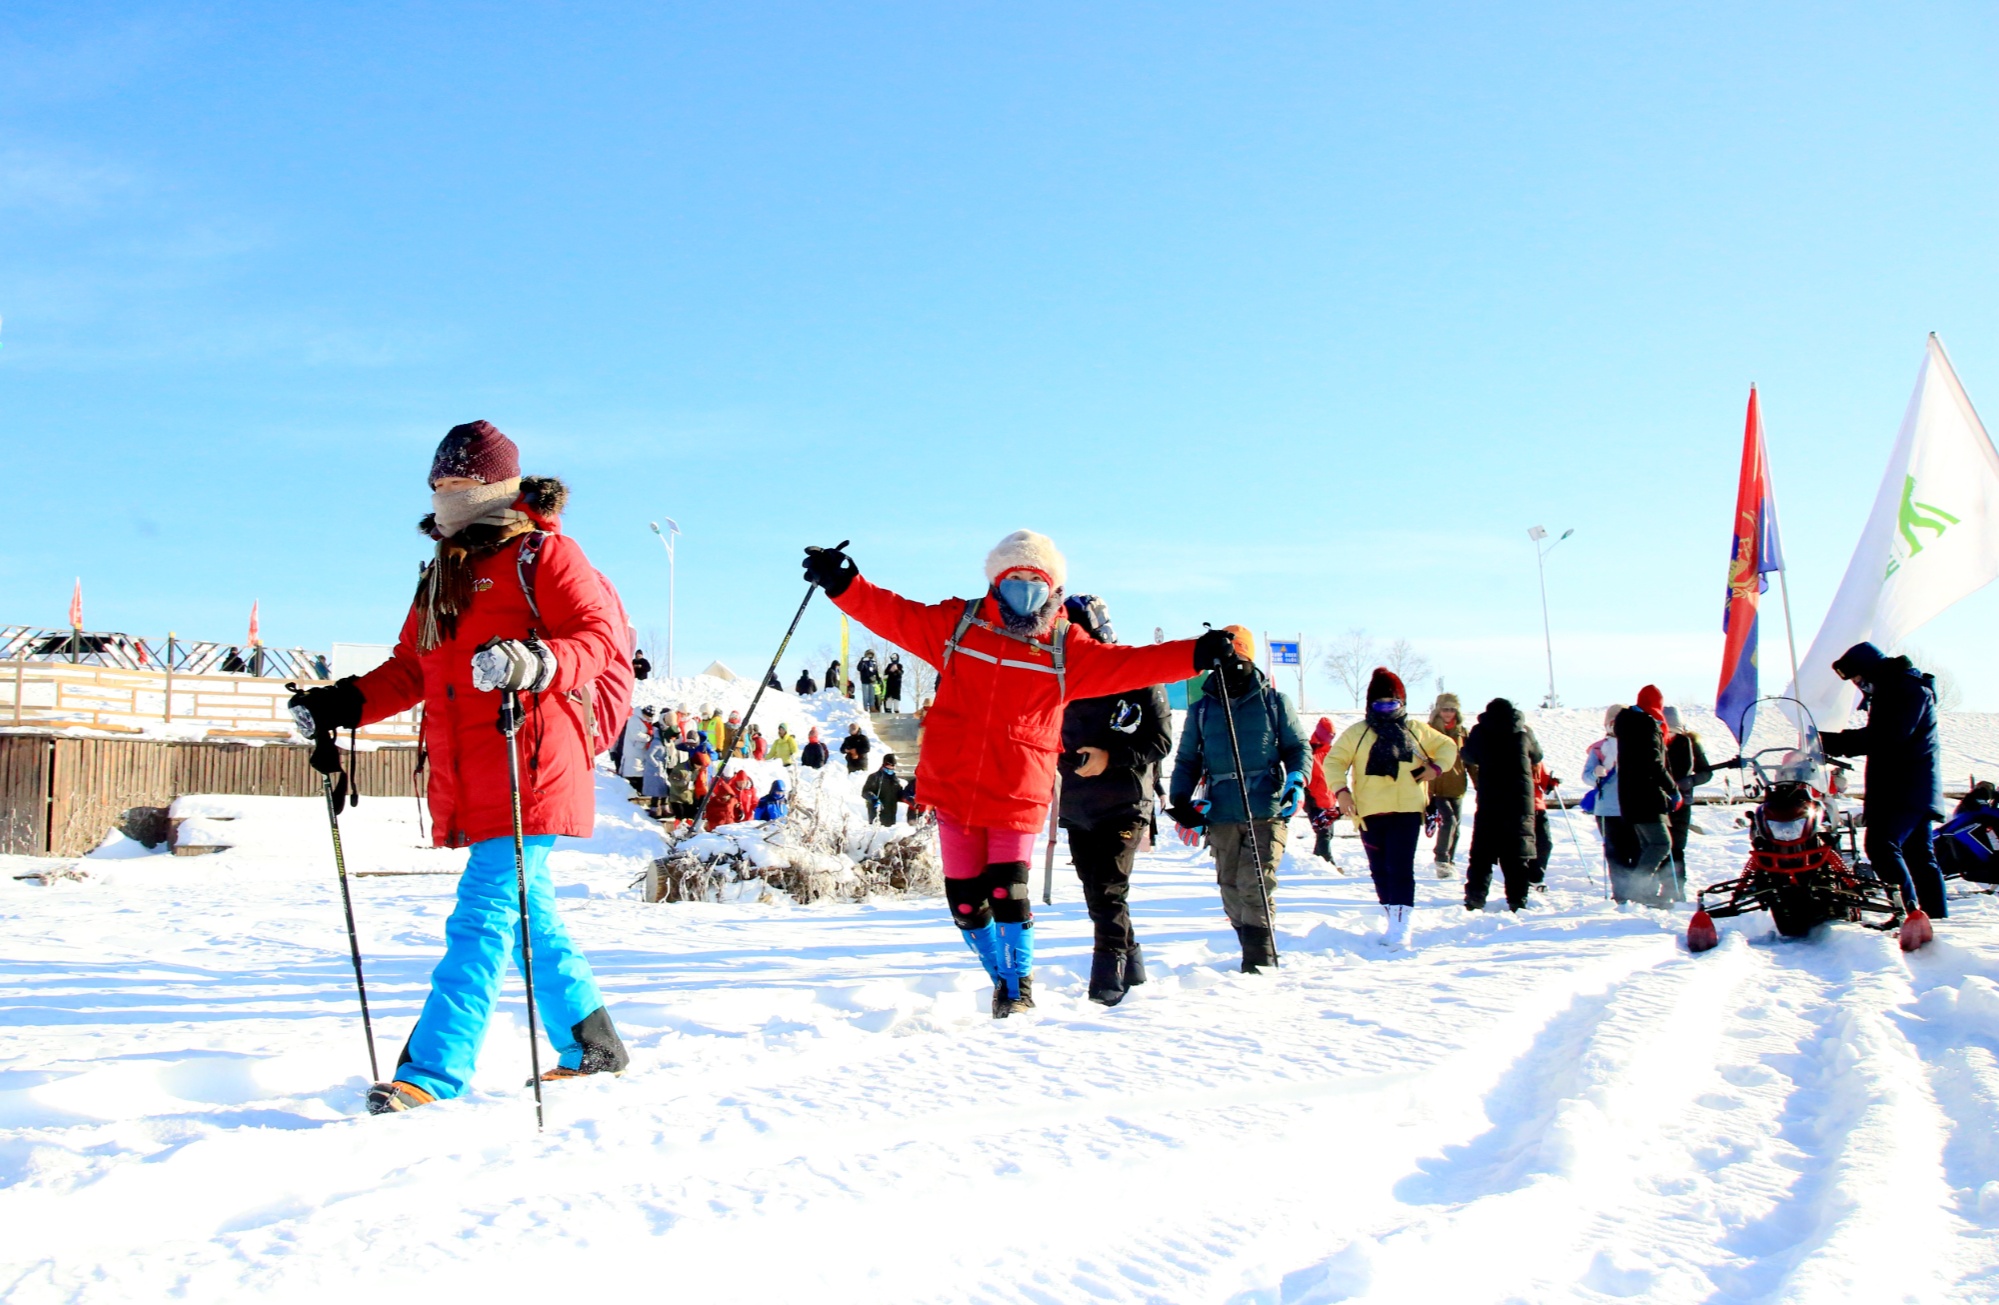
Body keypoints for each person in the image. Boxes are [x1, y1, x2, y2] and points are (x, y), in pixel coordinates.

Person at [288, 420, 629, 1115]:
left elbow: (598, 637)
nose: (446, 494)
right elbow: (412, 666)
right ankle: (595, 1044)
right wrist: (342, 702)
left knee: (481, 916)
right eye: (438, 484)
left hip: (529, 758)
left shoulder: (548, 555)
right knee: (530, 914)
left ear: (497, 484)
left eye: (460, 482)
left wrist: (539, 660)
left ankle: (433, 1072)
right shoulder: (442, 569)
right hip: (474, 769)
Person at [802, 530, 1228, 1017]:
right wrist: (844, 583)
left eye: (1036, 579)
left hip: (1018, 785)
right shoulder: (959, 625)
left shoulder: (1069, 648)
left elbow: (1133, 664)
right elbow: (895, 614)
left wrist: (1196, 653)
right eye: (1015, 577)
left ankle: (1017, 990)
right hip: (955, 781)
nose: (1026, 586)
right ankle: (1003, 977)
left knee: (1008, 891)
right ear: (997, 581)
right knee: (965, 904)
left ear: (1053, 587)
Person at [1167, 626, 1306, 974]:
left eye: (1239, 657)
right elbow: (1187, 760)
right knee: (1230, 886)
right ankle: (1250, 944)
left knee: (1255, 881)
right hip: (1221, 811)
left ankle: (1260, 961)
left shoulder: (1275, 702)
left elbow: (1297, 747)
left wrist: (1296, 780)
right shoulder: (1202, 709)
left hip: (1265, 808)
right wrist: (1181, 802)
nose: (1233, 665)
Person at [1059, 594, 1172, 1004]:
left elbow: (1160, 740)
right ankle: (1134, 966)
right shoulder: (1059, 679)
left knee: (1108, 890)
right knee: (1097, 892)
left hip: (1124, 800)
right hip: (1076, 804)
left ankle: (1106, 982)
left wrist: (1110, 757)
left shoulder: (1137, 672)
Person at [1323, 668, 1460, 948]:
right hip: (1369, 811)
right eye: (1380, 704)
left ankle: (1401, 925)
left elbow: (1448, 746)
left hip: (1406, 809)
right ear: (1369, 705)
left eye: (1392, 704)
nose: (1386, 710)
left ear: (1403, 704)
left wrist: (1436, 768)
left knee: (1400, 866)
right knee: (1379, 870)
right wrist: (1341, 791)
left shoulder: (1416, 730)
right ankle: (1392, 916)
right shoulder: (1358, 733)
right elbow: (1333, 761)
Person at [1821, 641, 1946, 920]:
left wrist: (1831, 742)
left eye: (1858, 679)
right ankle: (1933, 919)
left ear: (1869, 671)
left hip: (1906, 787)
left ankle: (1907, 912)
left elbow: (1888, 736)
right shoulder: (1896, 689)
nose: (1858, 686)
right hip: (1908, 786)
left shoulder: (1907, 690)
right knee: (1918, 856)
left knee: (1881, 845)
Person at [1459, 698, 1543, 912]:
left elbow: (1468, 755)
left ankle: (1475, 899)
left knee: (1482, 854)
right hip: (1520, 801)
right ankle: (1518, 900)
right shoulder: (1523, 732)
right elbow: (1538, 756)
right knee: (1516, 855)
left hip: (1491, 799)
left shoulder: (1480, 731)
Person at [1611, 686, 1679, 906]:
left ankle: (1644, 894)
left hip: (1630, 797)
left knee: (1647, 845)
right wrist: (1672, 788)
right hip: (1647, 796)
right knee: (1660, 844)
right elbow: (1654, 763)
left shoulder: (1626, 724)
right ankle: (1637, 890)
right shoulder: (1646, 725)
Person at [1662, 705, 1712, 899]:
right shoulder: (1654, 741)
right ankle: (1665, 885)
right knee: (1661, 844)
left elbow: (1706, 772)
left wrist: (1689, 781)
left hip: (1683, 801)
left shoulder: (1690, 744)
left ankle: (1676, 888)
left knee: (1677, 845)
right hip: (1660, 800)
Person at [1426, 693, 1469, 876]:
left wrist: (1480, 783)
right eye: (1445, 709)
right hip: (1435, 786)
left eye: (1452, 710)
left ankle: (1449, 860)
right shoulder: (1428, 731)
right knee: (1448, 821)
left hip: (1457, 786)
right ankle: (1441, 859)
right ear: (1438, 710)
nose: (1448, 713)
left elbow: (1470, 761)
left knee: (1456, 826)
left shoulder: (1462, 732)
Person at [1303, 717, 1339, 863]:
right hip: (1316, 801)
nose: (1330, 738)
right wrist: (1307, 797)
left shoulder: (1331, 753)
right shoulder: (1309, 751)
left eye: (1333, 735)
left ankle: (1318, 862)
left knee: (1327, 834)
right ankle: (1327, 861)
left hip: (1329, 800)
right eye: (1328, 734)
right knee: (1323, 833)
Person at [863, 753, 905, 826]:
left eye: (893, 766)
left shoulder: (895, 780)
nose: (891, 768)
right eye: (889, 765)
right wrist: (874, 799)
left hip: (891, 814)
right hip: (877, 813)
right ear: (884, 764)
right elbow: (865, 792)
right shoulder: (875, 777)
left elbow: (900, 795)